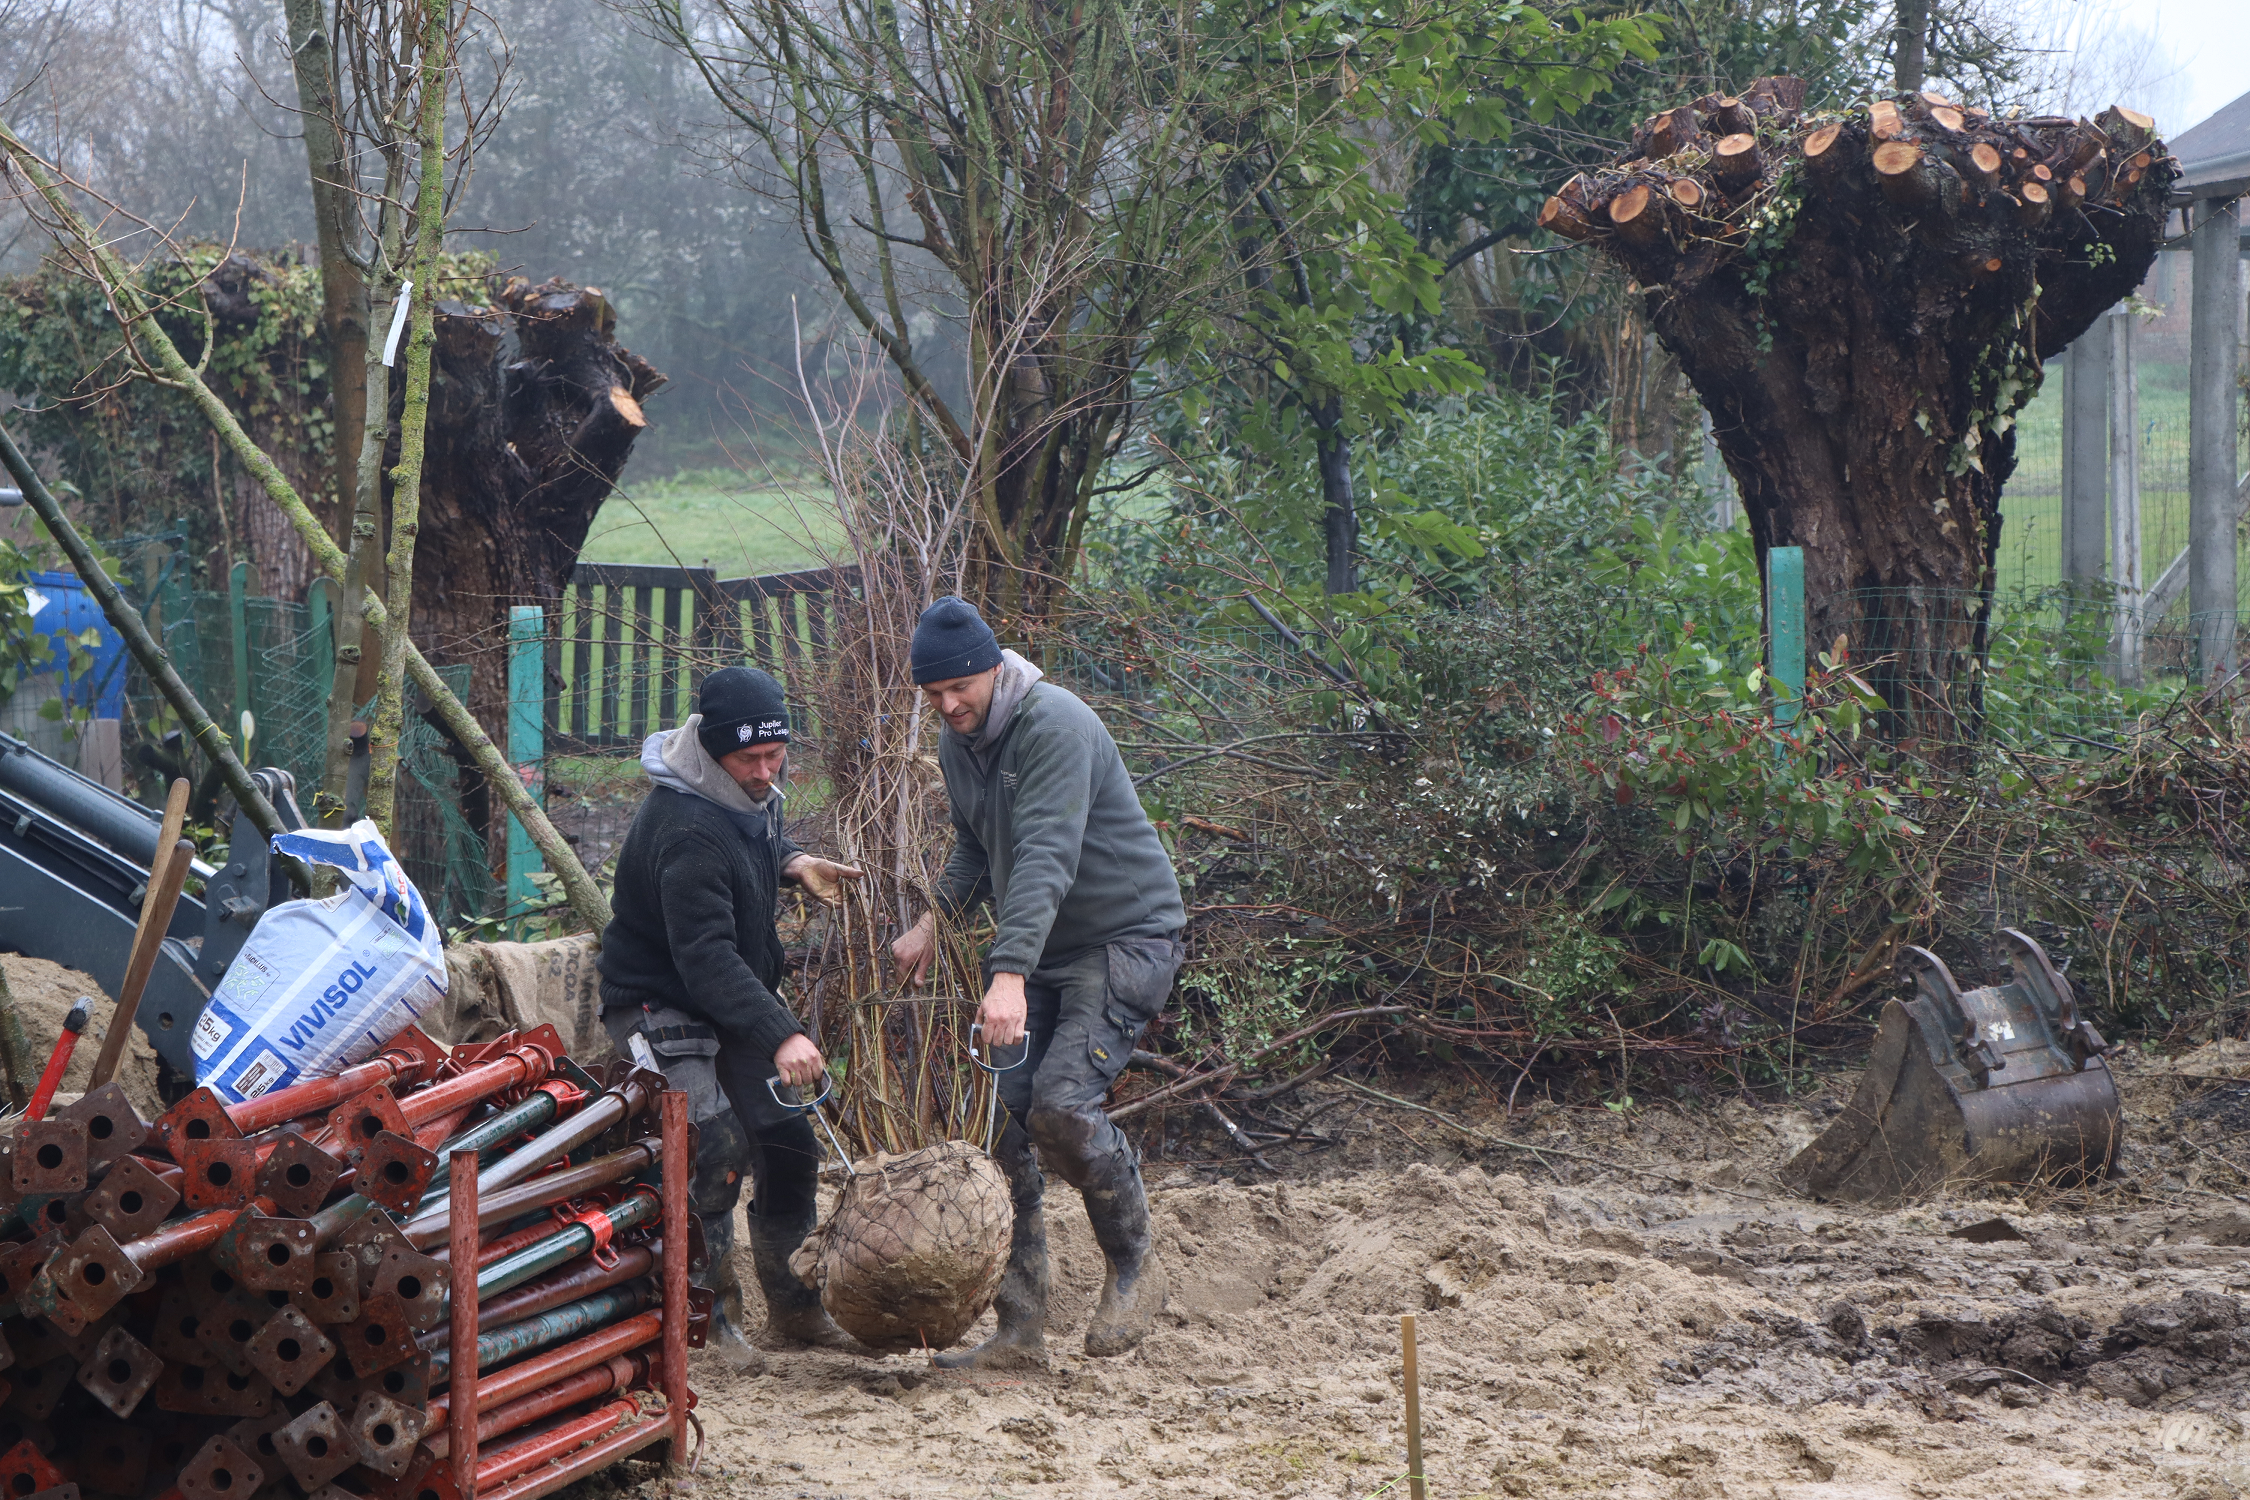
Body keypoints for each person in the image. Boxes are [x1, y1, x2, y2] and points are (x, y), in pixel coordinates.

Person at [891, 597, 1187, 1368]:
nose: (950, 706)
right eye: (934, 696)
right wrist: (935, 922)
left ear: (995, 666)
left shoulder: (1053, 724)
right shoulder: (962, 744)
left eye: (962, 687)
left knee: (1059, 1107)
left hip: (1125, 938)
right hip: (1049, 948)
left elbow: (1046, 855)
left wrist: (1008, 973)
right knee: (1003, 1128)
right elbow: (975, 847)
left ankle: (1136, 1264)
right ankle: (1019, 1331)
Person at [596, 665, 863, 1367]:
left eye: (777, 757)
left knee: (789, 1145)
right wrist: (783, 1033)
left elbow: (756, 837)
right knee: (712, 1152)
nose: (767, 772)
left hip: (725, 992)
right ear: (713, 752)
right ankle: (711, 1325)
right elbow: (706, 960)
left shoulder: (749, 793)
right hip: (656, 1001)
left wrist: (794, 860)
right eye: (750, 760)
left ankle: (798, 1310)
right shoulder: (685, 829)